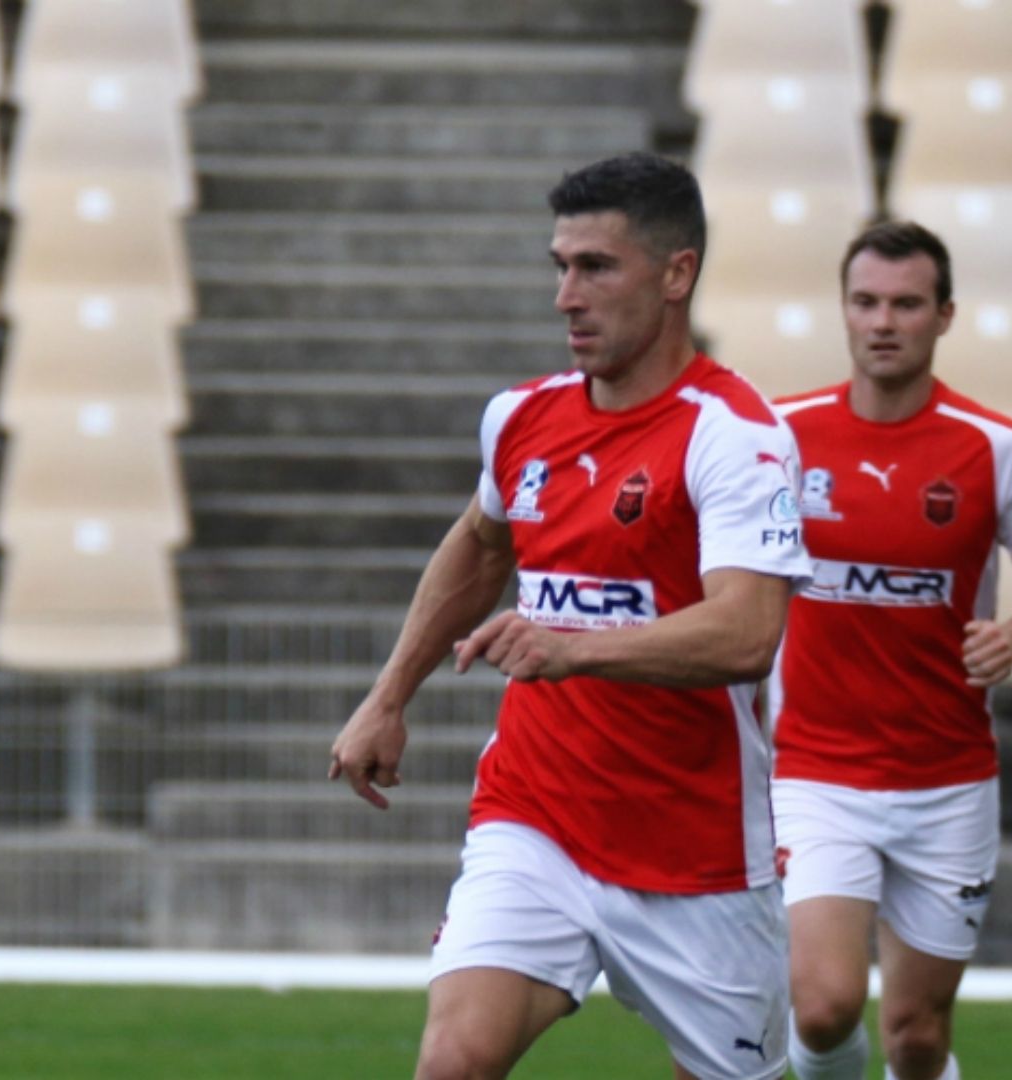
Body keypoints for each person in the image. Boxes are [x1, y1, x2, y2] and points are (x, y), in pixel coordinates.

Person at [328, 152, 812, 1080]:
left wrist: (573, 647)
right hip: (535, 814)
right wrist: (389, 695)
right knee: (453, 1061)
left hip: (695, 852)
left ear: (678, 275)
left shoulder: (733, 434)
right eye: (560, 266)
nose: (566, 296)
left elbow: (748, 634)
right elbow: (479, 544)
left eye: (597, 267)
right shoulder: (521, 420)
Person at [770, 221, 1012, 1080]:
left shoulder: (995, 448)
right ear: (842, 310)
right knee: (824, 1006)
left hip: (946, 782)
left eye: (906, 304)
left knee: (915, 1034)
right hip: (815, 772)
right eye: (866, 302)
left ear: (944, 316)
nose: (883, 322)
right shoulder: (782, 437)